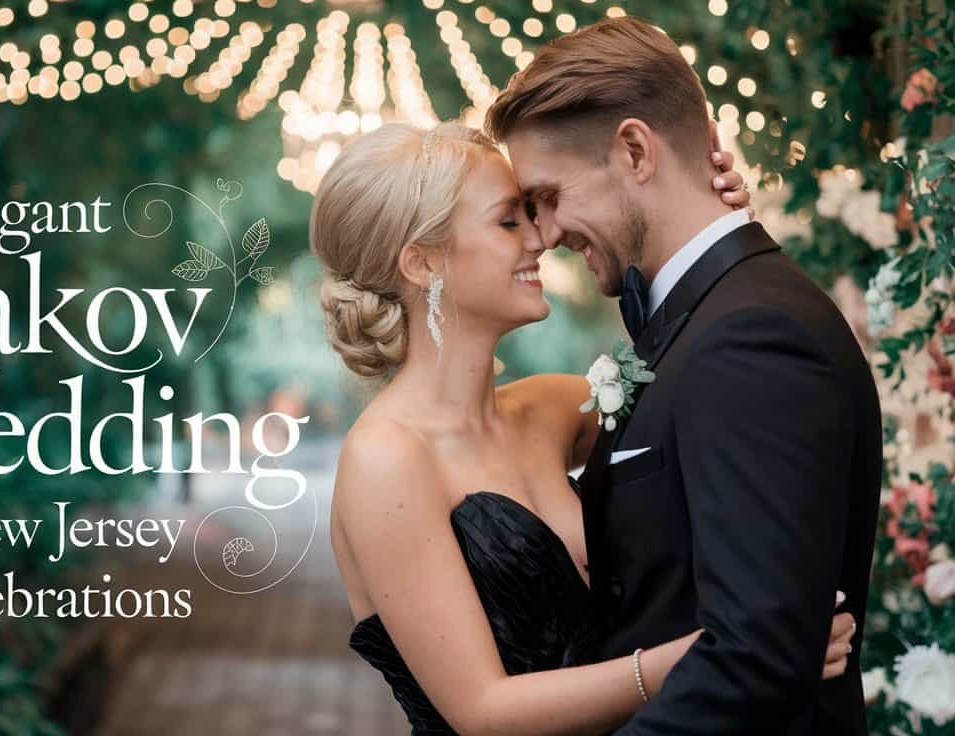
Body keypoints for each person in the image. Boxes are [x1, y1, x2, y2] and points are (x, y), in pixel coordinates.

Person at [313, 120, 856, 735]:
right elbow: (482, 712)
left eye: (533, 215)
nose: (540, 238)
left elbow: (699, 387)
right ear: (423, 261)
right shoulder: (386, 458)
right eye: (509, 221)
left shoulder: (549, 409)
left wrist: (705, 226)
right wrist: (717, 658)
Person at [485, 15, 881, 735]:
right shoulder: (700, 317)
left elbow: (754, 660)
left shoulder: (751, 337)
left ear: (635, 149)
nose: (542, 237)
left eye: (546, 198)